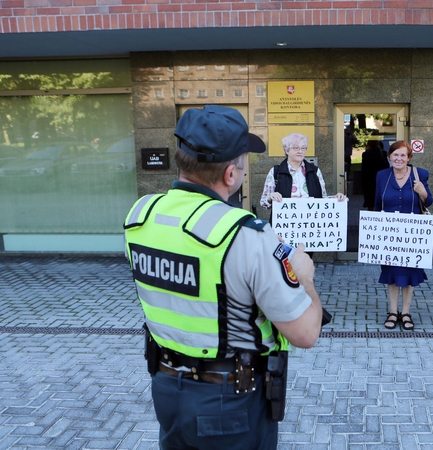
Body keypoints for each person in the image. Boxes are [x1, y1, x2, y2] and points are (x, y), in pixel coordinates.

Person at [124, 105, 323, 450]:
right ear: (230, 174)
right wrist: (304, 276)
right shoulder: (247, 236)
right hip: (230, 401)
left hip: (167, 388)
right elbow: (305, 333)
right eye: (244, 165)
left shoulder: (140, 216)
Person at [373, 140, 433, 331]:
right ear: (389, 157)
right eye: (395, 155)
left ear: (409, 157)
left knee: (409, 275)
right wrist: (374, 229)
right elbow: (377, 203)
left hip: (412, 236)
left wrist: (422, 192)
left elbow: (428, 201)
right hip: (389, 234)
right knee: (391, 274)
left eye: (403, 155)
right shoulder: (382, 176)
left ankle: (405, 312)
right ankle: (392, 311)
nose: (399, 159)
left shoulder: (419, 174)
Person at [260, 132, 347, 208]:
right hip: (285, 223)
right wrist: (270, 198)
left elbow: (322, 199)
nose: (300, 151)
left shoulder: (315, 171)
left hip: (309, 222)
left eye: (303, 148)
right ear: (287, 150)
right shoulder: (276, 172)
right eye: (296, 148)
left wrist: (336, 198)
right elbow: (264, 203)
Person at [361, 139, 389, 211]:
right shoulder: (382, 153)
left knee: (370, 202)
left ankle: (371, 218)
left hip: (369, 180)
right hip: (381, 180)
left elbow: (364, 169)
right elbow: (386, 166)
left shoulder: (366, 154)